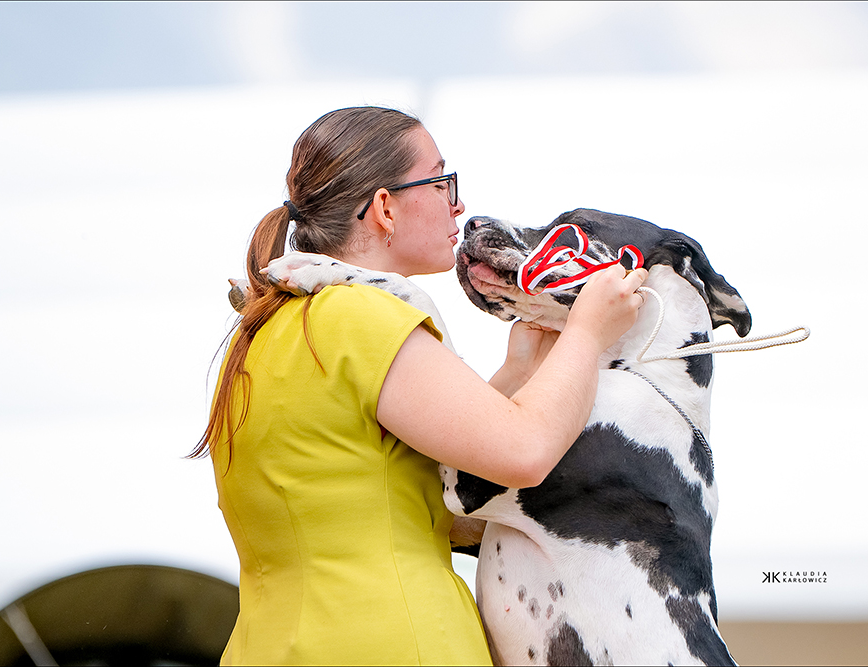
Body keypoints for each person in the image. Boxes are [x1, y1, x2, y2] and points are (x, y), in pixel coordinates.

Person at [192, 106, 646, 666]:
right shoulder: (360, 317)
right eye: (439, 181)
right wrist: (587, 332)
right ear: (385, 207)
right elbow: (524, 451)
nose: (458, 204)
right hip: (395, 645)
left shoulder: (269, 329)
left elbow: (396, 487)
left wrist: (522, 366)